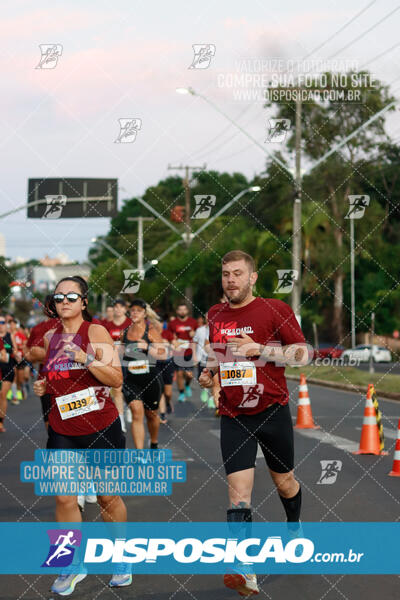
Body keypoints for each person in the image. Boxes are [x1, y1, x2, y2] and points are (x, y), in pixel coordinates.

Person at [199, 250, 309, 597]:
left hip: (272, 409)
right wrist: (210, 371)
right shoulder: (215, 314)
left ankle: (294, 528)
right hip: (234, 415)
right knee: (238, 495)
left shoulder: (274, 309)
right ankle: (244, 568)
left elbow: (302, 353)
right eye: (225, 274)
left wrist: (260, 349)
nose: (230, 279)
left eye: (237, 273)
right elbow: (221, 354)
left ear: (252, 278)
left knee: (285, 481)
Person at [33, 276, 131, 594]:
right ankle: (73, 565)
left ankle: (121, 557)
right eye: (59, 296)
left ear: (84, 302)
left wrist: (86, 358)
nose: (64, 301)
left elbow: (115, 378)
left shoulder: (96, 332)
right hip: (63, 428)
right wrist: (44, 386)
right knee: (63, 496)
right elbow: (58, 378)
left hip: (100, 427)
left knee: (107, 497)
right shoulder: (50, 337)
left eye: (72, 296)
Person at [120, 299, 167, 449]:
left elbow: (163, 355)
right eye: (132, 310)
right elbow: (119, 354)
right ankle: (140, 453)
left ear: (144, 313)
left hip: (151, 379)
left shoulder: (151, 331)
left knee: (151, 415)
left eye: (138, 310)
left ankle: (153, 442)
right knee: (136, 412)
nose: (134, 313)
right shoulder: (125, 333)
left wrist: (146, 347)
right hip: (131, 380)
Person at [25, 296, 59, 429]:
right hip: (44, 380)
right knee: (48, 418)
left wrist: (43, 354)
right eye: (49, 305)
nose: (51, 308)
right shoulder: (38, 328)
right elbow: (28, 352)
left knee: (68, 421)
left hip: (67, 379)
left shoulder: (67, 325)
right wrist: (35, 354)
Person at [105, 299, 132, 432]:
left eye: (121, 307)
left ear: (125, 310)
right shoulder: (107, 325)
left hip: (130, 360)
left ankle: (129, 407)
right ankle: (120, 421)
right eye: (115, 307)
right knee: (116, 390)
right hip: (113, 361)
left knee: (129, 389)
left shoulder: (130, 324)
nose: (118, 309)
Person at [168, 303, 197, 402]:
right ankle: (181, 393)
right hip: (178, 352)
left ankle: (187, 385)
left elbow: (198, 337)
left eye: (184, 309)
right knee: (180, 373)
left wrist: (194, 334)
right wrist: (173, 341)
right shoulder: (172, 323)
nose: (182, 311)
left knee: (189, 375)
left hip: (189, 352)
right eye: (180, 310)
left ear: (187, 311)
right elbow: (169, 336)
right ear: (177, 311)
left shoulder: (193, 322)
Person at [0, 316, 19, 428]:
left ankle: (1, 421)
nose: (1, 324)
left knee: (2, 394)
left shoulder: (9, 336)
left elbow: (15, 350)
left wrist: (16, 354)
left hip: (8, 369)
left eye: (2, 322)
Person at [193, 316, 213, 408]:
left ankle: (211, 399)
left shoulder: (217, 329)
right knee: (203, 378)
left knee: (214, 379)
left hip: (213, 359)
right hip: (202, 358)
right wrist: (194, 356)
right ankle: (204, 390)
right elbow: (194, 343)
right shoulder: (200, 330)